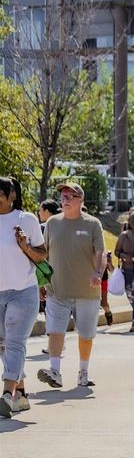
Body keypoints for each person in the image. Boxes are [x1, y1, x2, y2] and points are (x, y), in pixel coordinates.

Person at [38, 181, 105, 390]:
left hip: (87, 291)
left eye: (70, 196)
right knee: (55, 331)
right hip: (57, 290)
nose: (65, 199)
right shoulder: (52, 223)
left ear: (80, 200)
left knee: (85, 334)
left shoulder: (93, 224)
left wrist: (98, 273)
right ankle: (55, 371)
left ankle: (83, 372)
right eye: (63, 196)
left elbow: (100, 253)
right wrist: (41, 282)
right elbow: (44, 255)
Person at [1, 177, 46, 418]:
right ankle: (20, 394)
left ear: (12, 196)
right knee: (2, 344)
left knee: (15, 342)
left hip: (23, 291)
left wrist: (25, 246)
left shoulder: (26, 219)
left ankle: (7, 395)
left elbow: (42, 255)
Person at [37, 199, 60, 315]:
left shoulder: (41, 228)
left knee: (51, 314)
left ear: (47, 211)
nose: (39, 213)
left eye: (40, 210)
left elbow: (40, 256)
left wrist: (41, 284)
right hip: (66, 275)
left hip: (48, 275)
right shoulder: (65, 226)